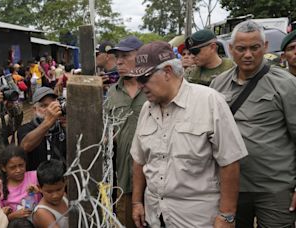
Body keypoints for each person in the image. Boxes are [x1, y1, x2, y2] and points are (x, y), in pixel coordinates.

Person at [130, 41, 248, 227]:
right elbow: (139, 160)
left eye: (144, 79)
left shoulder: (209, 101)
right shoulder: (147, 109)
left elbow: (230, 162)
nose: (139, 86)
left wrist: (227, 215)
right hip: (155, 215)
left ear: (167, 72)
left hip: (195, 218)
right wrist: (137, 202)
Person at [210, 20, 296, 227]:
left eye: (254, 48)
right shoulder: (218, 84)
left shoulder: (285, 84)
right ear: (231, 49)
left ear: (264, 47)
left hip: (275, 187)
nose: (248, 54)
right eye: (241, 48)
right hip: (231, 188)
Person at [104, 35, 145, 228]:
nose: (119, 61)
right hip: (124, 177)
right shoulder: (112, 93)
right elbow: (106, 128)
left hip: (156, 174)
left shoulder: (153, 87)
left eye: (125, 56)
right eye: (117, 56)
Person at [18, 87, 66, 171]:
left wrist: (69, 127)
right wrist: (48, 121)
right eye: (44, 106)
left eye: (52, 105)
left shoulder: (62, 126)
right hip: (35, 180)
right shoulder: (26, 128)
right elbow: (25, 146)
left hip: (60, 180)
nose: (49, 109)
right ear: (34, 109)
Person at [0, 145, 41, 220]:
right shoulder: (0, 188)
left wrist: (40, 191)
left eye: (21, 165)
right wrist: (12, 216)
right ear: (4, 168)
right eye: (13, 167)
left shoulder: (35, 176)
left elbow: (51, 191)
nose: (18, 170)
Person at [32, 159, 68, 228]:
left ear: (65, 182)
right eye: (49, 191)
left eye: (59, 189)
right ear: (39, 188)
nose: (55, 195)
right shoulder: (42, 212)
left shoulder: (64, 196)